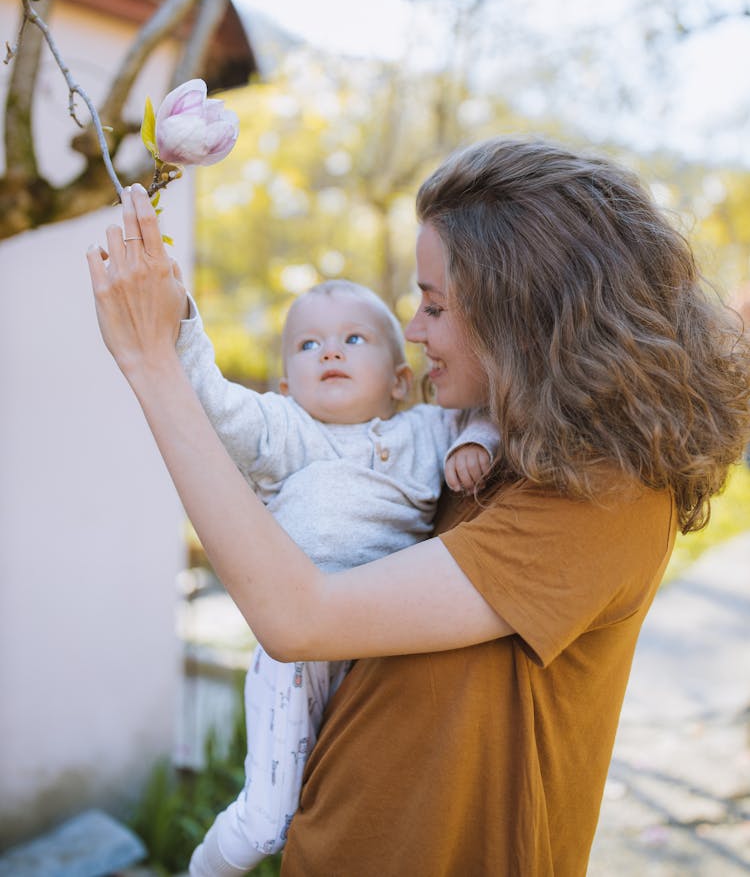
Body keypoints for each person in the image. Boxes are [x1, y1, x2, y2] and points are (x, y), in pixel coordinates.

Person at [87, 137, 750, 877]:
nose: (413, 329)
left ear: (525, 314)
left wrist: (152, 364)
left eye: (435, 304)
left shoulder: (605, 496)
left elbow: (300, 616)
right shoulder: (482, 446)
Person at [175, 278, 497, 875]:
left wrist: (475, 441)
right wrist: (183, 319)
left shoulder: (429, 430)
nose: (330, 352)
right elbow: (209, 399)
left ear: (401, 379)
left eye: (353, 338)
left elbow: (495, 408)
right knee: (270, 822)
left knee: (349, 793)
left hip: (379, 650)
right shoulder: (282, 432)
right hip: (295, 654)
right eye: (308, 345)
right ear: (285, 385)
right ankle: (201, 869)